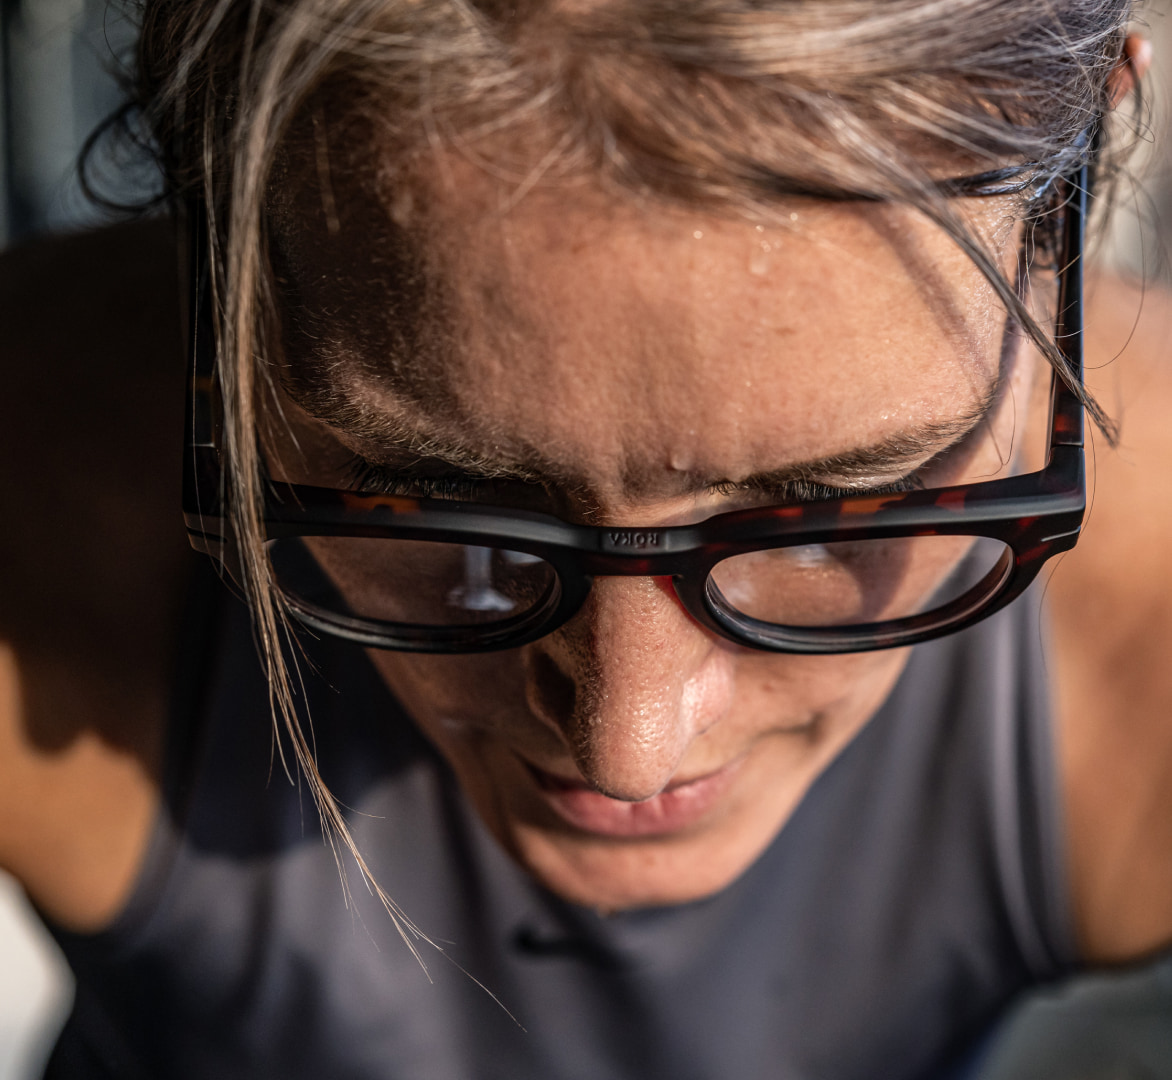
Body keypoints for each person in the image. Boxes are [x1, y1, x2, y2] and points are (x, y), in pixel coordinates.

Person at [0, 1, 1169, 1076]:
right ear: (219, 259)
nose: (628, 749)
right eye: (435, 490)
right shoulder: (44, 524)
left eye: (833, 503)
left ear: (1060, 216)